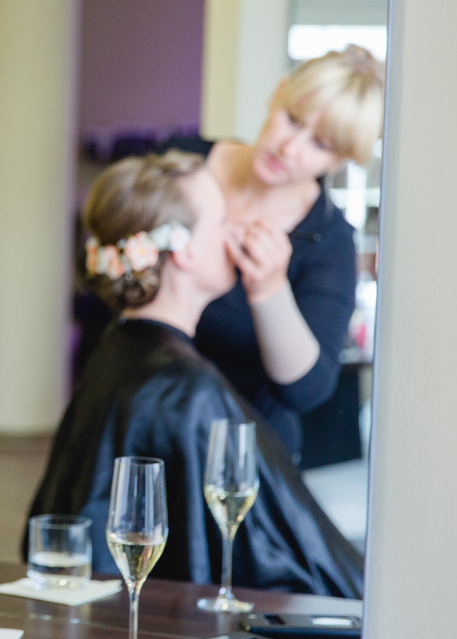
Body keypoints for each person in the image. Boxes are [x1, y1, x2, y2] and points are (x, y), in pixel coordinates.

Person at [27, 152, 364, 600]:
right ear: (183, 250)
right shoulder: (189, 389)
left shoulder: (118, 350)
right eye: (223, 220)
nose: (235, 235)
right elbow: (293, 565)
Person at [160, 45, 385, 461]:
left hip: (239, 458)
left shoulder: (328, 243)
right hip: (143, 419)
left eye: (319, 143)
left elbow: (306, 390)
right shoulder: (180, 165)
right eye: (293, 120)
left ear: (339, 158)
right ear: (277, 93)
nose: (290, 148)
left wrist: (269, 290)